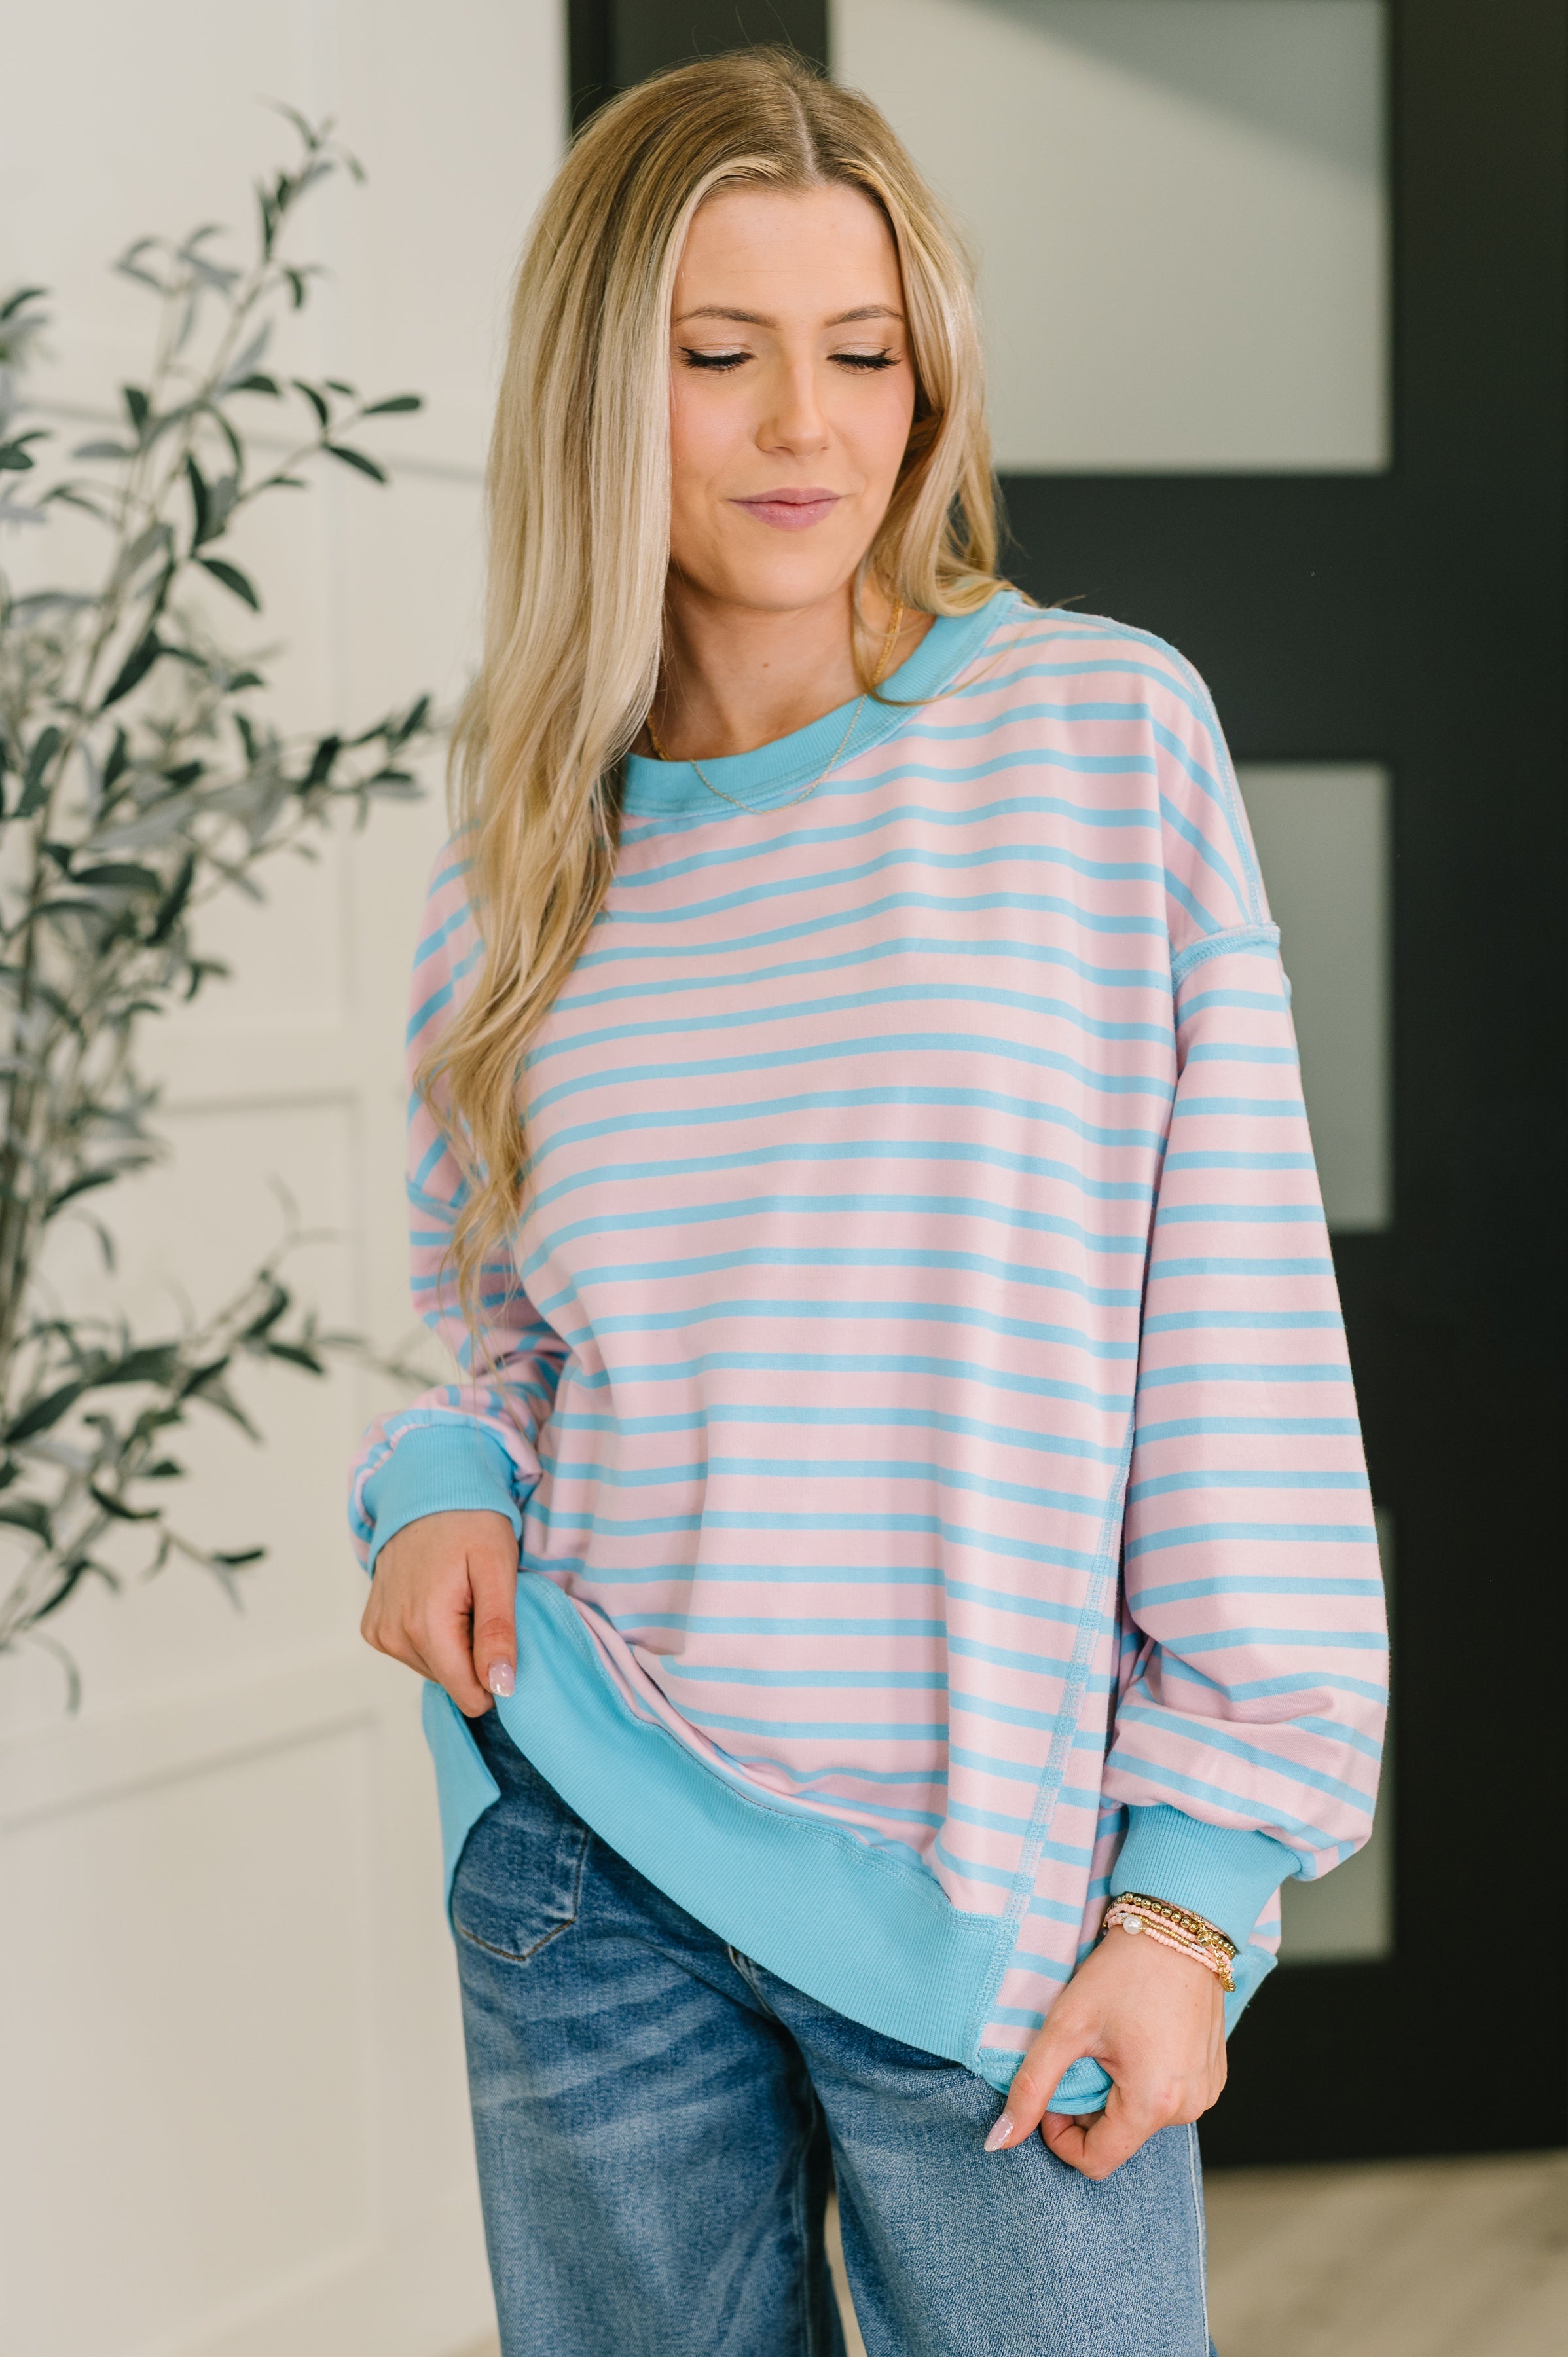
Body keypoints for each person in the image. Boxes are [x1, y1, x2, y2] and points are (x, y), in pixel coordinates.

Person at [348, 47, 1386, 2357]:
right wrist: (433, 1482)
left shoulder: (1096, 738)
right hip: (586, 1848)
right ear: (599, 390)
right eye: (718, 355)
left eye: (863, 353)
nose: (802, 426)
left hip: (997, 1901)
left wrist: (1192, 1892)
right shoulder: (520, 860)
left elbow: (1233, 1342)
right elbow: (488, 1333)